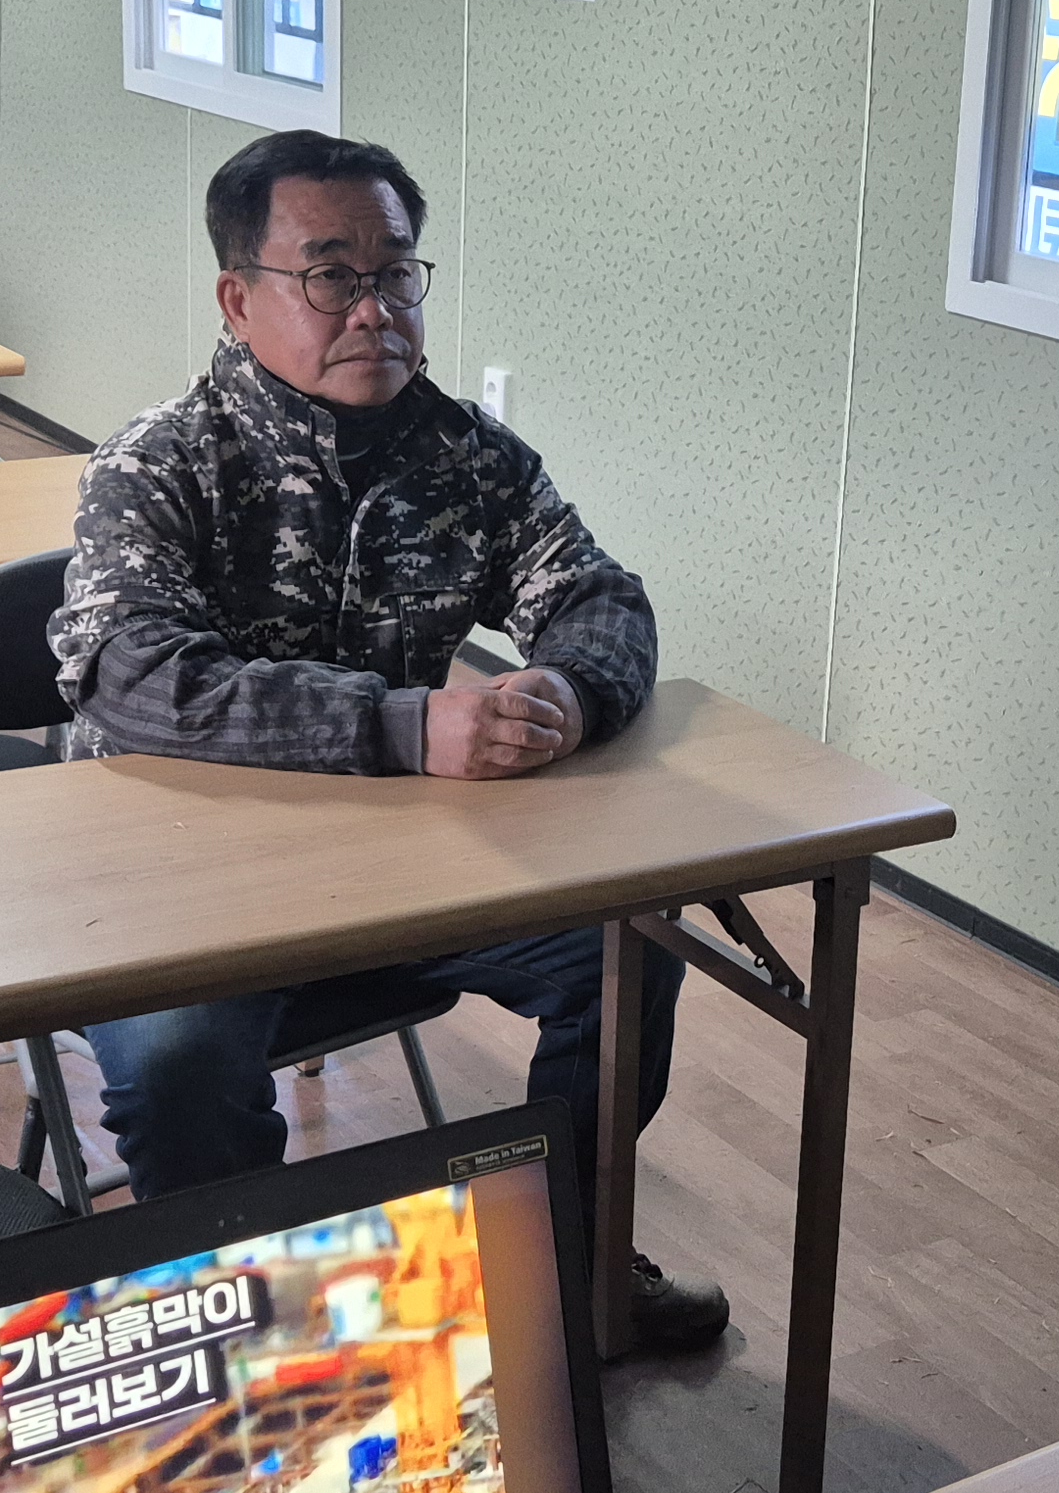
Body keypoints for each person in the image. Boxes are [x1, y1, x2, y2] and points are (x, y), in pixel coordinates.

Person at [52, 127, 725, 1349]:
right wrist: (404, 724)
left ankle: (563, 1251)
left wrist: (568, 692)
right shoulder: (159, 462)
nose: (373, 309)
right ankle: (245, 1338)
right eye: (330, 275)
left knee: (627, 956)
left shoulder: (465, 456)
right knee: (178, 1062)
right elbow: (130, 674)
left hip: (404, 866)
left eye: (395, 272)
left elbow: (597, 595)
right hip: (179, 885)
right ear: (238, 298)